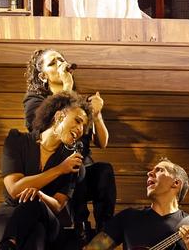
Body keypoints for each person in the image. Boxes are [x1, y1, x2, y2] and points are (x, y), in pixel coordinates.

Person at [22, 48, 116, 240]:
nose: (60, 64)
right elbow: (44, 126)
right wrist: (67, 86)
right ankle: (79, 225)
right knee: (76, 166)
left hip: (81, 165)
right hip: (53, 170)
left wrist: (97, 115)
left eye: (61, 60)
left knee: (104, 170)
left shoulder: (78, 103)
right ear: (42, 76)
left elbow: (102, 142)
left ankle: (104, 229)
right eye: (53, 63)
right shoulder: (34, 101)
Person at [0, 92, 90, 250]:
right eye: (77, 121)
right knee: (35, 235)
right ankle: (9, 244)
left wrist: (39, 195)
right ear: (59, 116)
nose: (80, 129)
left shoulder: (72, 162)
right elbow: (15, 189)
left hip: (49, 220)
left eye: (84, 125)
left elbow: (57, 205)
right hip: (10, 213)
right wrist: (59, 169)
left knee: (37, 212)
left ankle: (8, 244)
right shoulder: (17, 141)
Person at [85, 158, 189, 250]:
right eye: (151, 170)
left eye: (159, 170)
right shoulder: (128, 217)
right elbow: (94, 248)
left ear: (176, 183)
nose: (149, 173)